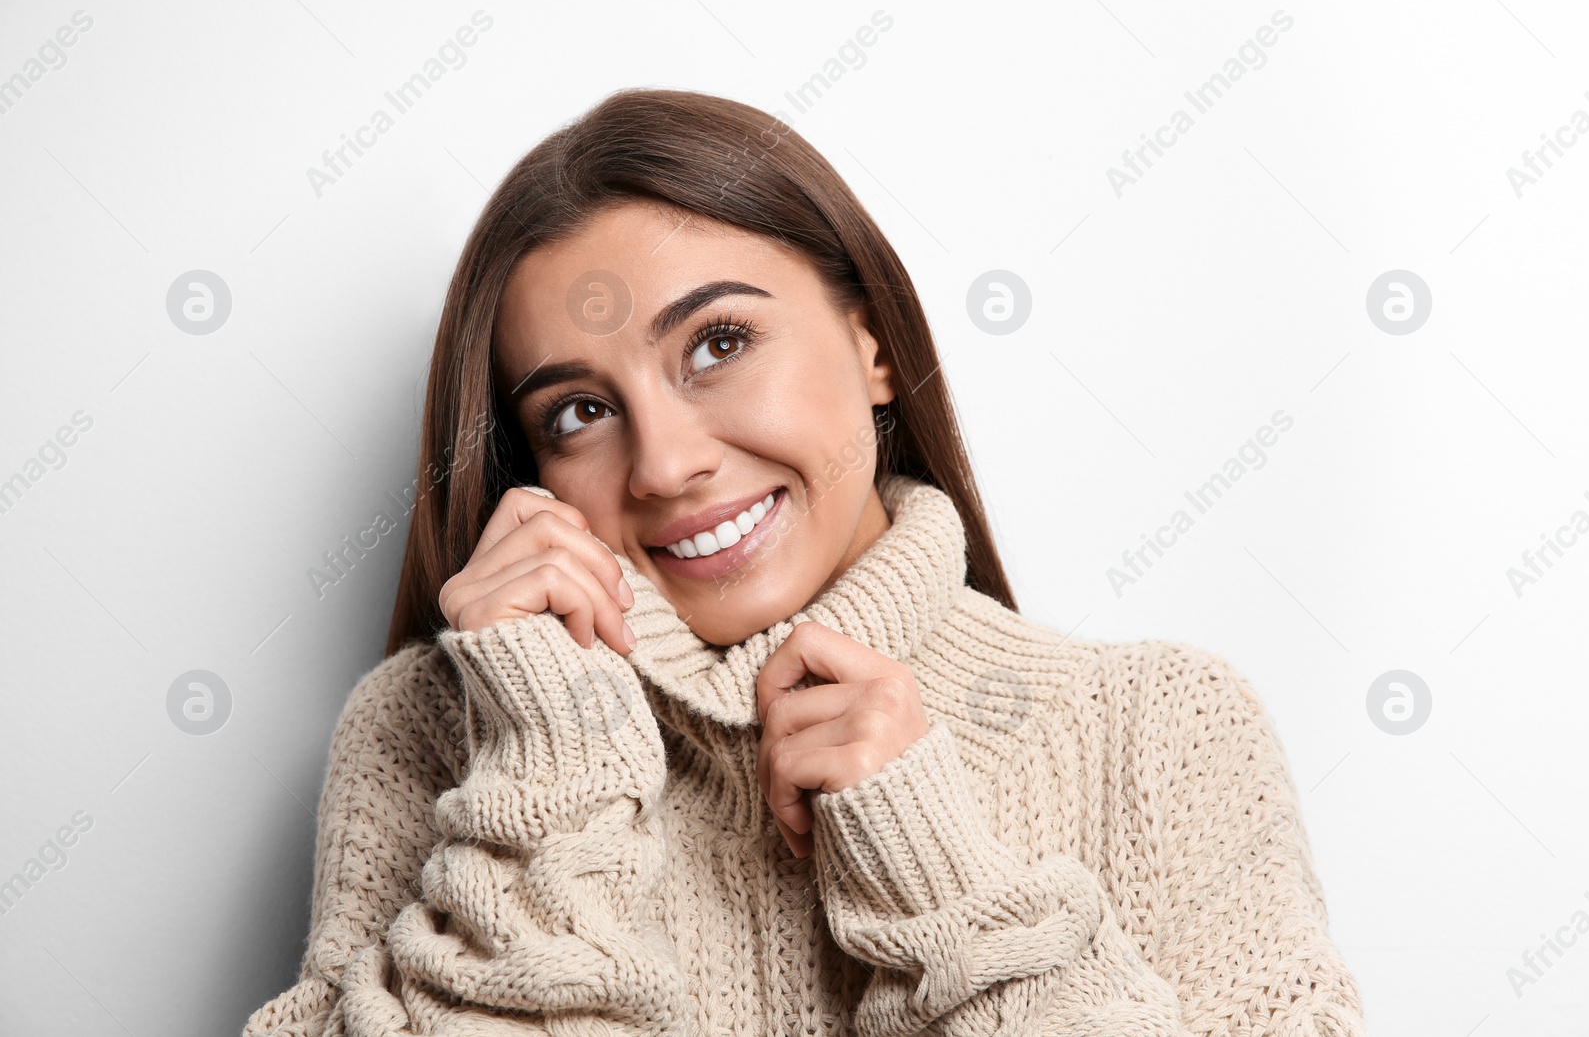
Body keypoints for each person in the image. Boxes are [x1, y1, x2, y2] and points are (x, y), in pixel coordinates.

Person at [243, 87, 1366, 1036]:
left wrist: (939, 872)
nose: (666, 464)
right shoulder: (433, 730)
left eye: (719, 344)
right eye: (581, 410)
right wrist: (545, 780)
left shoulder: (1158, 724)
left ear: (872, 341)